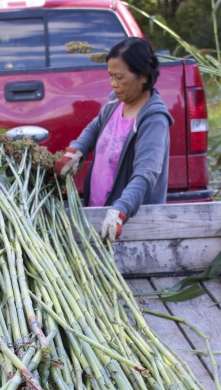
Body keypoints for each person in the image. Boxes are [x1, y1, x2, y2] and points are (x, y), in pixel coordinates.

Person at [55, 36, 173, 243]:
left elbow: (145, 175)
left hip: (130, 223)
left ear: (143, 76)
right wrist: (76, 151)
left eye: (120, 78)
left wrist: (120, 210)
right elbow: (95, 127)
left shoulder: (153, 119)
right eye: (110, 76)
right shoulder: (115, 102)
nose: (114, 84)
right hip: (101, 208)